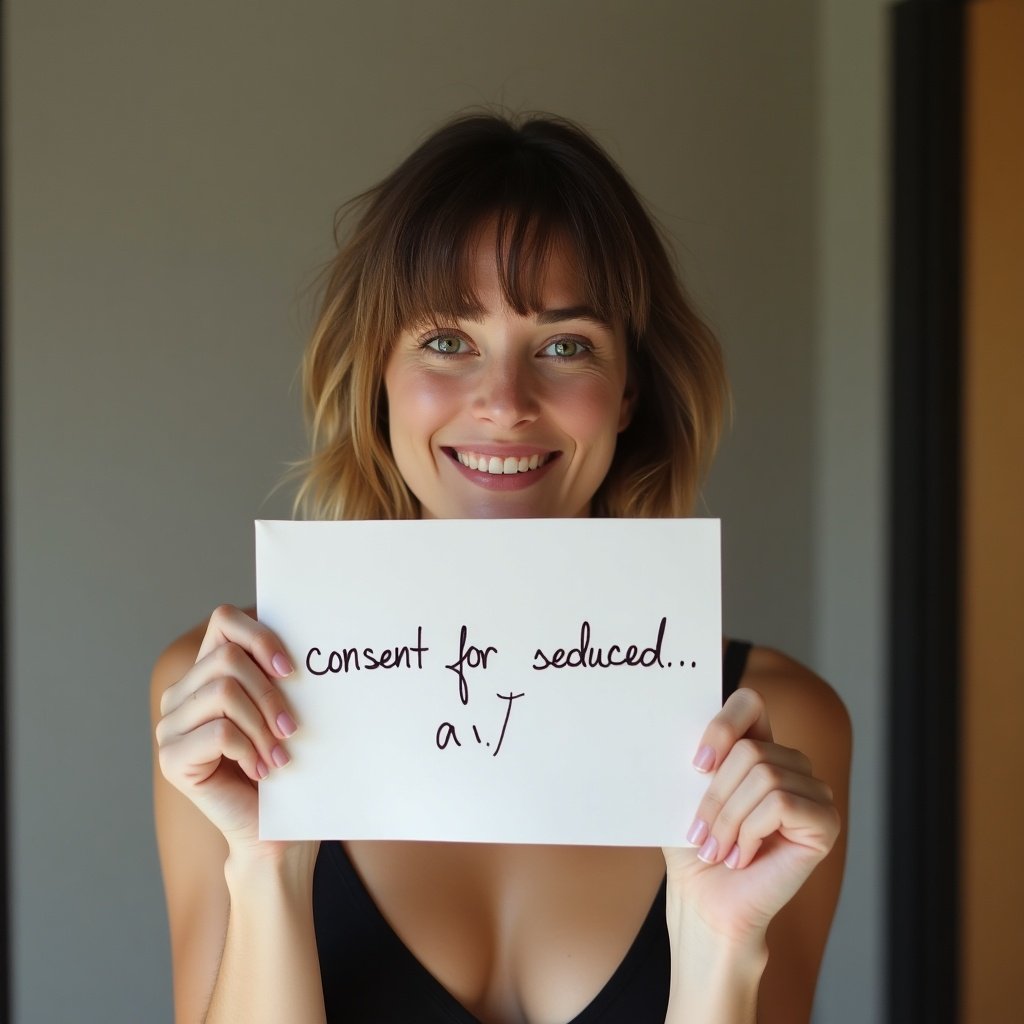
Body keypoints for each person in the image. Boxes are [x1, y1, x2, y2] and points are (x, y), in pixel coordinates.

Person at [151, 112, 850, 1024]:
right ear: (379, 375)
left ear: (629, 388)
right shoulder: (221, 705)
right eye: (447, 340)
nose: (505, 404)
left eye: (565, 346)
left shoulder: (776, 730)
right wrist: (263, 864)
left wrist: (721, 950)